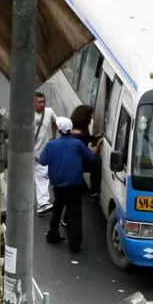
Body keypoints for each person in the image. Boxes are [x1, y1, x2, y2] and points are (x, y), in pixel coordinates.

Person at [38, 117, 97, 253]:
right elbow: (91, 157)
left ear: (59, 130)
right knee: (74, 213)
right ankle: (74, 244)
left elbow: (42, 161)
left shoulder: (51, 145)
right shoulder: (77, 144)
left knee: (57, 209)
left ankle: (53, 234)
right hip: (75, 184)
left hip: (58, 185)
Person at [32, 92, 58, 214]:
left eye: (43, 101)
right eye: (39, 102)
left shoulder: (49, 112)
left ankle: (42, 203)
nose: (42, 104)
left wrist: (54, 136)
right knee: (33, 176)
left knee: (41, 175)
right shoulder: (27, 115)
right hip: (29, 151)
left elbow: (55, 122)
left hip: (43, 150)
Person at [70, 104, 101, 198]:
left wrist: (94, 138)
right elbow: (85, 152)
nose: (91, 118)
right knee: (97, 164)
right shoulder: (77, 135)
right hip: (76, 161)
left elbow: (86, 138)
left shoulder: (80, 129)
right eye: (90, 116)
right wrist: (96, 148)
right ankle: (94, 191)